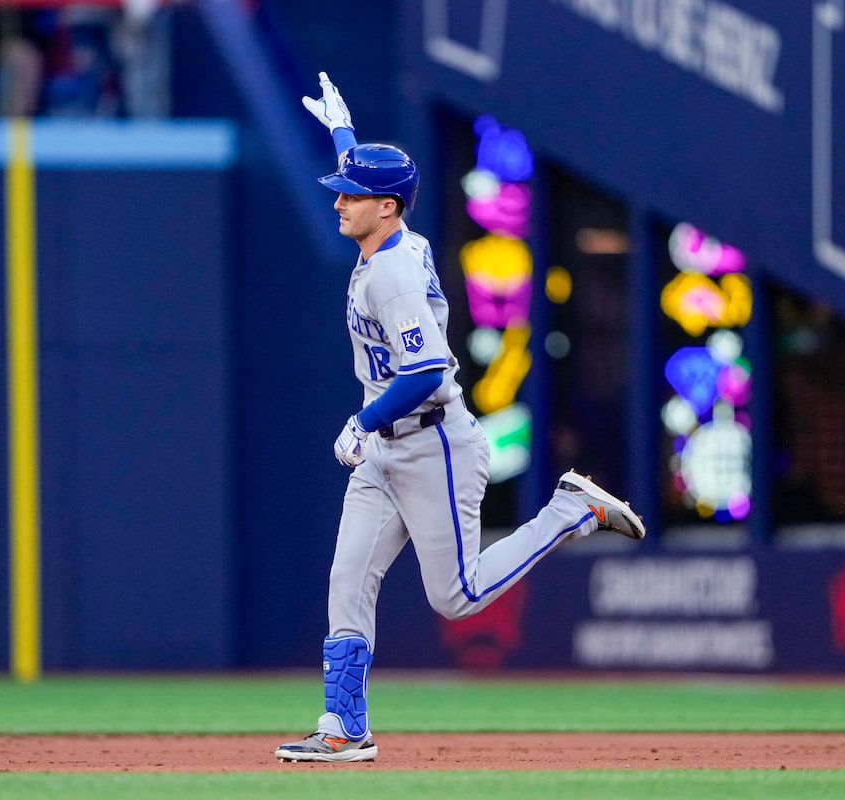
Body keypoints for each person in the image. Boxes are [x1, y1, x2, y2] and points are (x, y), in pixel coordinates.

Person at [274, 72, 645, 764]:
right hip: (387, 450)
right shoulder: (391, 236)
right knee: (348, 579)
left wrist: (362, 422)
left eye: (351, 194)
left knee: (458, 596)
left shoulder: (393, 274)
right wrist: (343, 133)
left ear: (386, 207)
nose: (340, 202)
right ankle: (344, 727)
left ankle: (570, 512)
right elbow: (379, 191)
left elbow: (427, 372)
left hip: (434, 443)